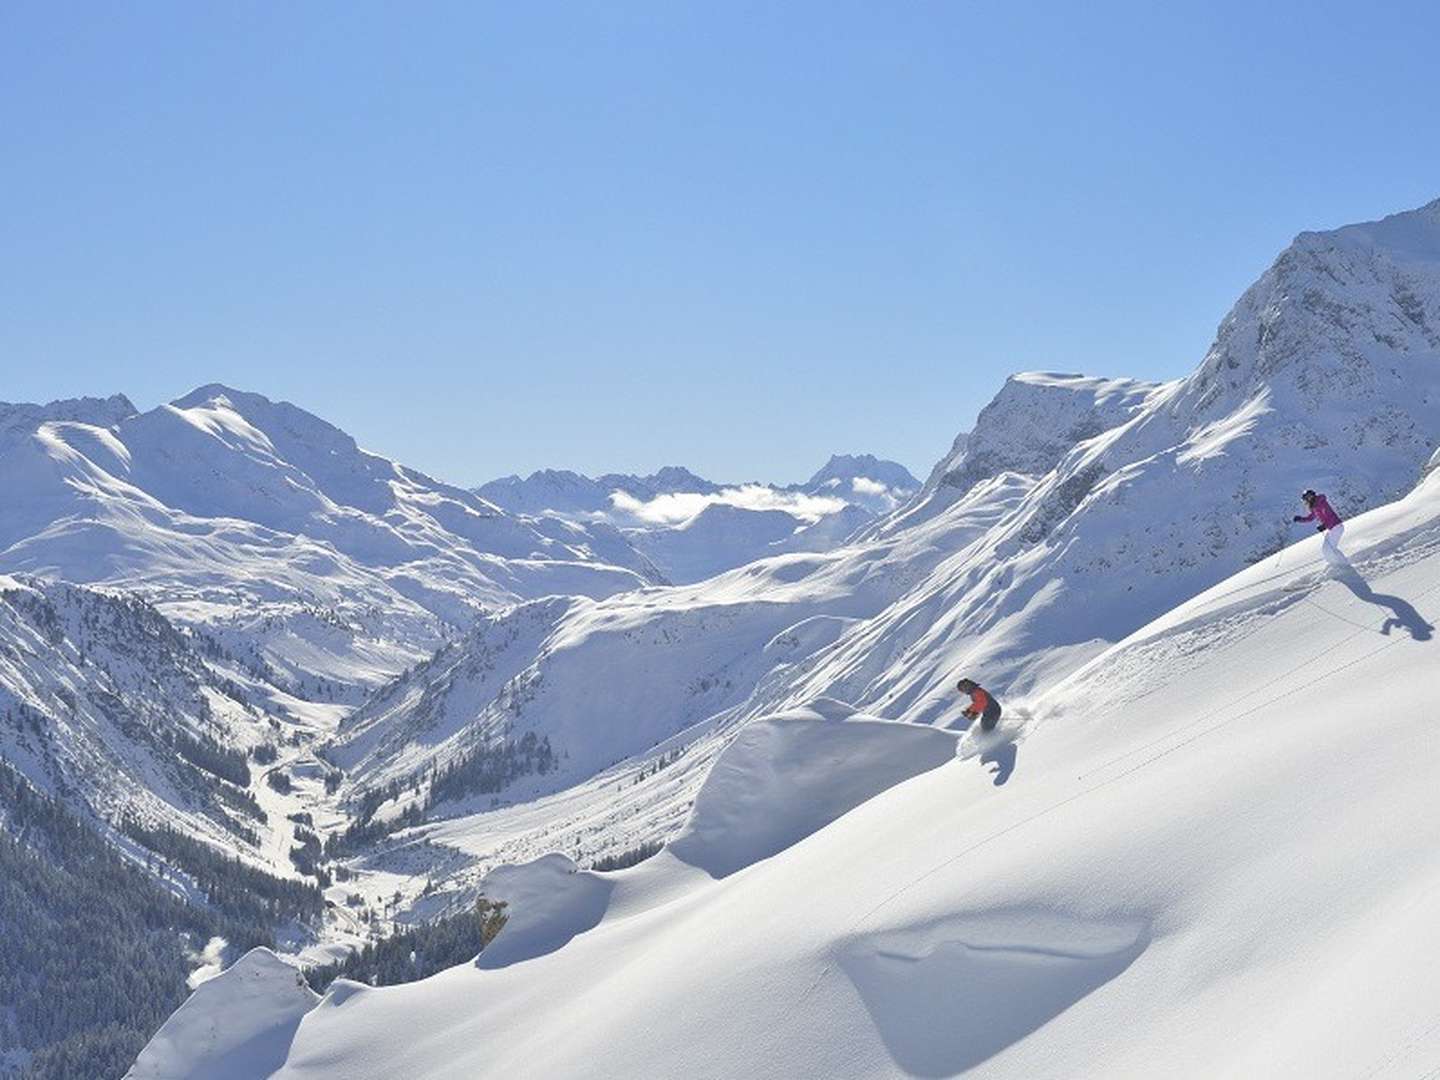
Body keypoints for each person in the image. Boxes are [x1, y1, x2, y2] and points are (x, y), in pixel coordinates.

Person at [1293, 489, 1346, 566]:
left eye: (1305, 500)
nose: (1305, 503)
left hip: (1336, 527)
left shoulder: (1321, 503)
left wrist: (1324, 525)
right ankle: (1340, 563)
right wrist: (1300, 519)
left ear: (1310, 497)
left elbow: (1330, 516)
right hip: (1332, 528)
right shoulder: (1315, 507)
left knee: (1329, 549)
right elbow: (1310, 518)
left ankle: (1340, 565)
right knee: (1326, 549)